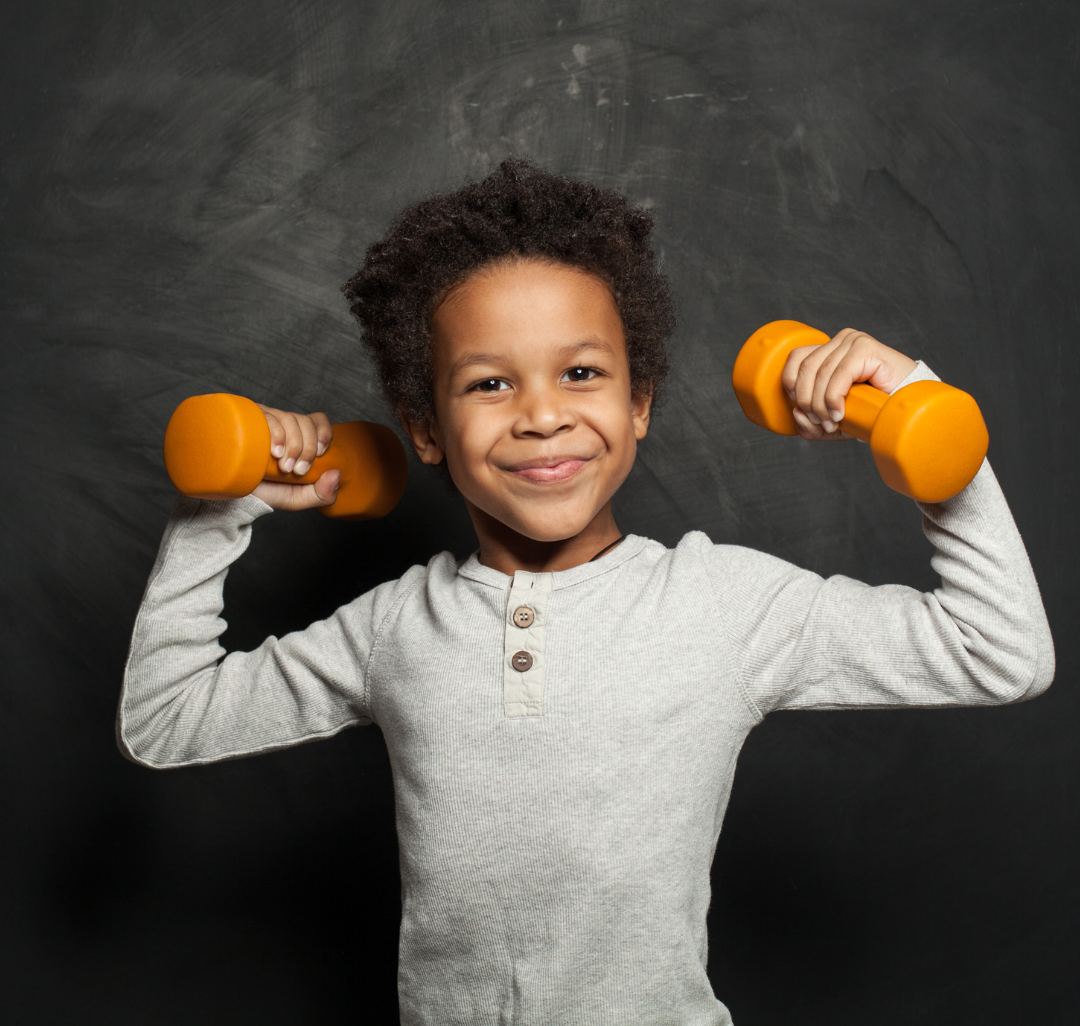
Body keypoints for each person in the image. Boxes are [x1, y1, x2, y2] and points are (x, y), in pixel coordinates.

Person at [118, 158, 1054, 1025]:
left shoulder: (723, 605)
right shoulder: (397, 626)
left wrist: (917, 409)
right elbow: (165, 718)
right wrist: (223, 509)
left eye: (580, 373)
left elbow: (999, 652)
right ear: (426, 428)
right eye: (490, 383)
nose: (542, 415)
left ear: (638, 401)